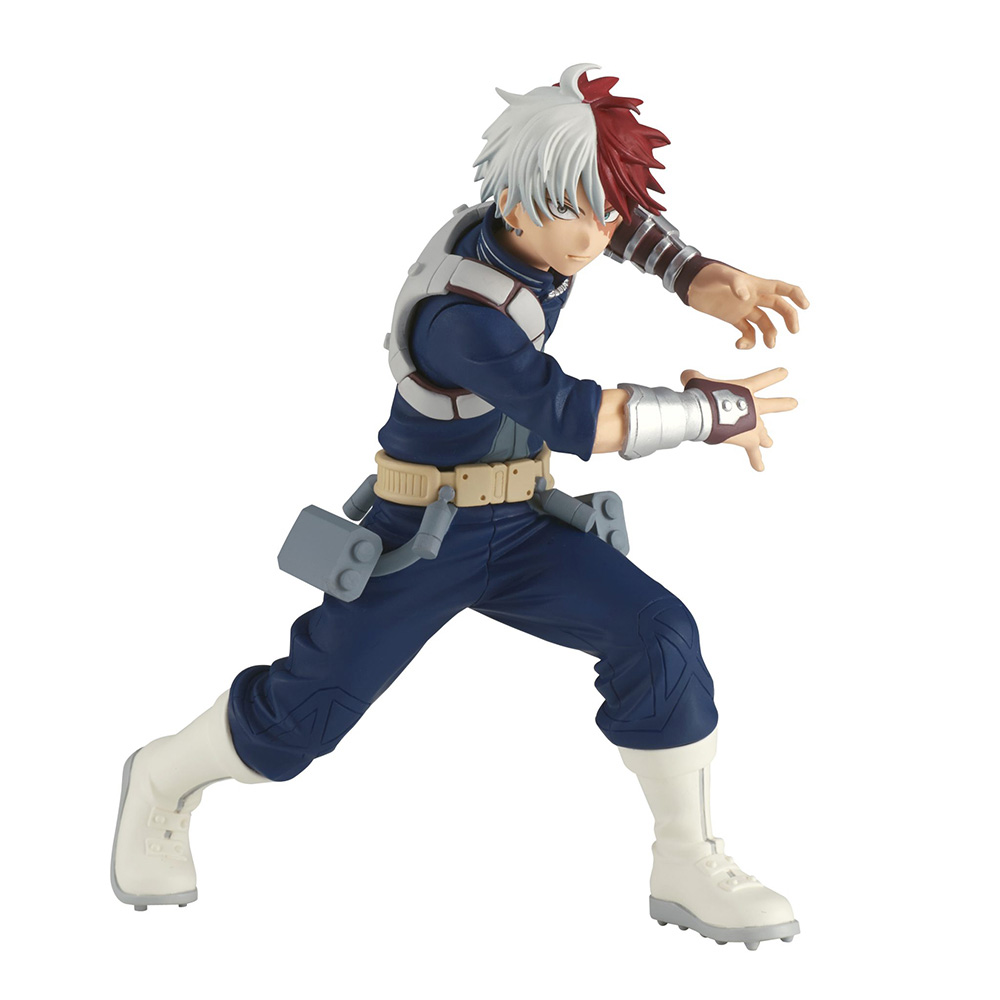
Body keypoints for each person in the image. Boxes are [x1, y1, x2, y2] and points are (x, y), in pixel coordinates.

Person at [112, 64, 808, 950]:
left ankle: (687, 859)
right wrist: (712, 412)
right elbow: (574, 416)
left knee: (659, 636)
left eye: (603, 213)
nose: (594, 237)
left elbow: (619, 218)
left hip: (525, 523)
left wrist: (699, 273)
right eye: (576, 212)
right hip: (422, 536)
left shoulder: (541, 228)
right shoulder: (461, 315)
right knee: (303, 719)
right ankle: (161, 780)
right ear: (516, 200)